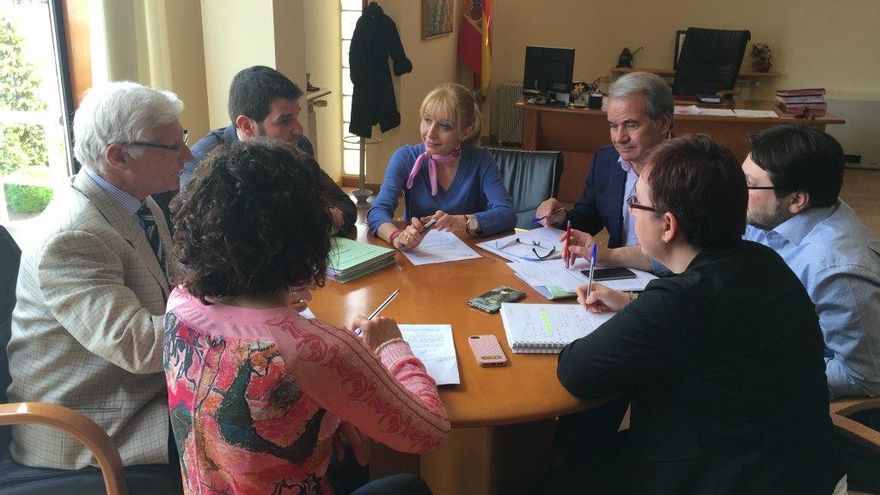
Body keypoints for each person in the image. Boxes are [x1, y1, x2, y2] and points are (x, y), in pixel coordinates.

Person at [547, 134, 845, 495]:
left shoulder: (682, 298)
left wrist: (640, 314)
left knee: (554, 477)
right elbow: (715, 333)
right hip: (801, 469)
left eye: (635, 203)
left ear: (668, 225)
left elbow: (575, 370)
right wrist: (632, 305)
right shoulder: (764, 261)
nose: (630, 211)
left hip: (724, 477)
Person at [165, 139, 449, 494]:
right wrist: (393, 346)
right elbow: (430, 432)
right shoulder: (315, 350)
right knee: (409, 487)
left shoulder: (179, 303)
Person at [7, 81, 186, 491]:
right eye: (172, 147)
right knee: (256, 428)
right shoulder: (73, 236)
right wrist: (233, 316)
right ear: (119, 156)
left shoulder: (138, 200)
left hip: (139, 393)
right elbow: (140, 346)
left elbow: (176, 288)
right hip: (93, 424)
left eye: (184, 141)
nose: (187, 156)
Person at [742, 125, 880, 400]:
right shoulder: (770, 213)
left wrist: (760, 371)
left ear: (797, 200)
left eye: (749, 184)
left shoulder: (838, 272)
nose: (738, 191)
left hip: (800, 400)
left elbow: (864, 377)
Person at [167, 65, 356, 235]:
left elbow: (345, 206)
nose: (299, 129)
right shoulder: (202, 162)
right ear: (247, 126)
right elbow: (207, 235)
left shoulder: (298, 146)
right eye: (284, 121)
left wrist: (323, 221)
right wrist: (311, 219)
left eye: (296, 116)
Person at [535, 71, 672, 272]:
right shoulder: (606, 160)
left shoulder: (691, 170)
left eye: (630, 125)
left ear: (663, 124)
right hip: (618, 278)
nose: (619, 138)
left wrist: (609, 256)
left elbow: (688, 253)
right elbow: (587, 219)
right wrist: (561, 217)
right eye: (613, 126)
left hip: (672, 286)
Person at [367, 83, 515, 250]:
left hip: (470, 263)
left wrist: (463, 221)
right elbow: (377, 212)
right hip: (418, 258)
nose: (430, 133)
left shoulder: (482, 160)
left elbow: (507, 213)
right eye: (427, 120)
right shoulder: (405, 158)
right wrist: (397, 237)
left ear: (464, 132)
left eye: (444, 126)